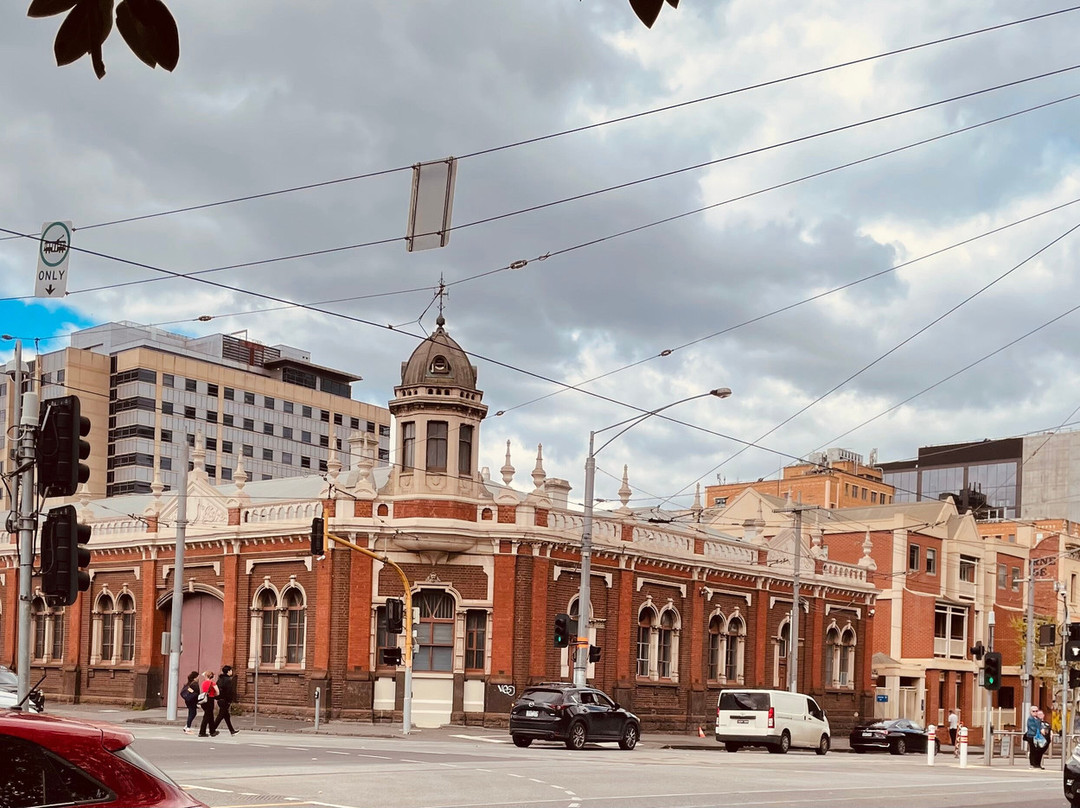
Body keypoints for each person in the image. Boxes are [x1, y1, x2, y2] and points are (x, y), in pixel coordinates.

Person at [212, 664, 238, 736]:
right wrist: (229, 701)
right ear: (228, 671)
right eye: (231, 670)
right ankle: (212, 729)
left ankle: (232, 731)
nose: (231, 672)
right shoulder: (228, 680)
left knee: (226, 716)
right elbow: (229, 692)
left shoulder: (220, 679)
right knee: (221, 715)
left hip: (220, 699)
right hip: (225, 700)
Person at [197, 670, 219, 738]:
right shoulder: (212, 683)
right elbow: (217, 692)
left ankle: (212, 731)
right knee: (207, 716)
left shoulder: (203, 683)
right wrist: (214, 694)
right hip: (210, 699)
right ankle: (202, 732)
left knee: (210, 715)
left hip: (204, 700)